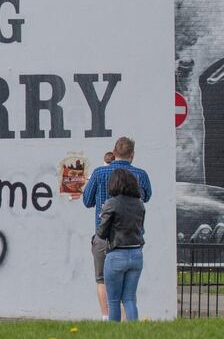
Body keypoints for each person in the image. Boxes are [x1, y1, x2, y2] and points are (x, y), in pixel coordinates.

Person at [82, 137, 151, 320]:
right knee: (129, 296)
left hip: (105, 237)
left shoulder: (99, 173)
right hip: (133, 241)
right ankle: (131, 327)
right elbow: (147, 197)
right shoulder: (141, 176)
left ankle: (107, 319)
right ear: (132, 154)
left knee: (102, 279)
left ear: (114, 151)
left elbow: (87, 201)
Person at [96, 168, 146, 321]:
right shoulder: (139, 204)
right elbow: (141, 229)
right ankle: (134, 333)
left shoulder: (112, 203)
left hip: (117, 254)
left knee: (113, 301)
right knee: (129, 298)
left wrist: (102, 214)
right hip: (136, 254)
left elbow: (101, 233)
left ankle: (115, 334)